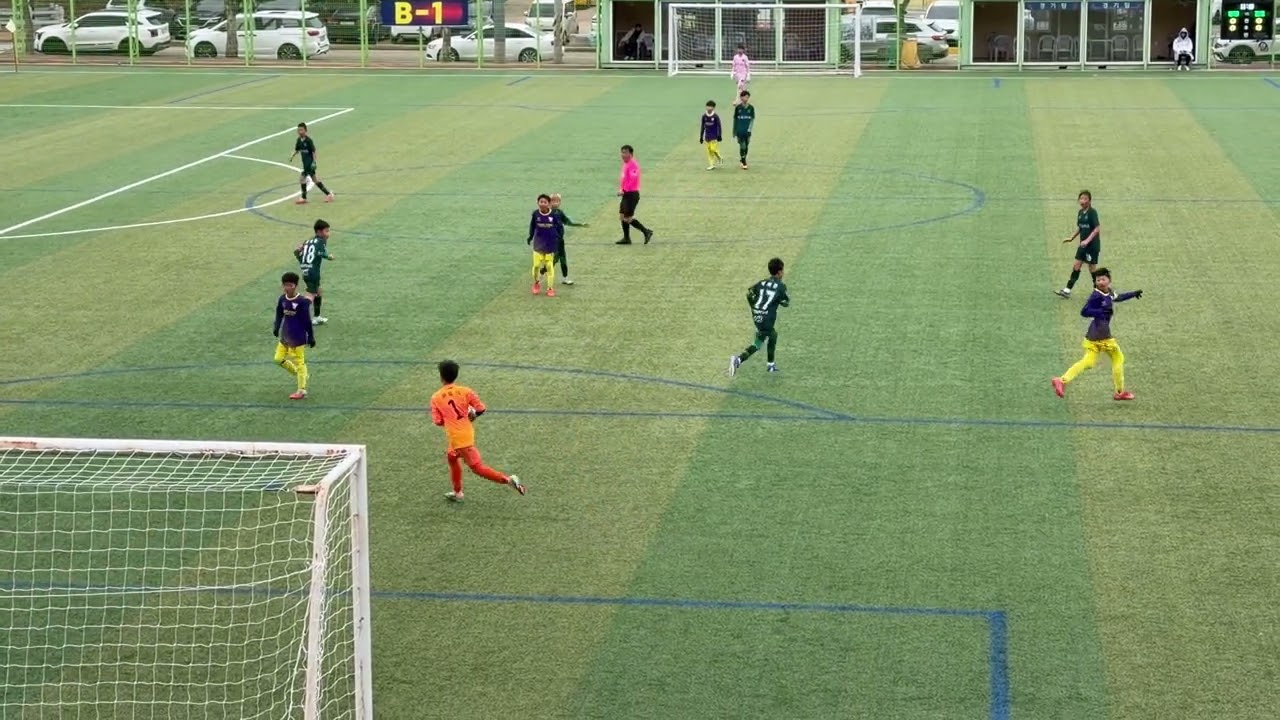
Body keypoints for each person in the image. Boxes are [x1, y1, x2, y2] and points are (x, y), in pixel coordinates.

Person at [429, 360, 525, 502]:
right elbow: (481, 408)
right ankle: (458, 492)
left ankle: (508, 480)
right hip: (466, 432)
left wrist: (449, 419)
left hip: (458, 439)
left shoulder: (436, 397)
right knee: (451, 456)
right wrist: (471, 415)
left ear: (441, 377)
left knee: (477, 468)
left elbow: (438, 421)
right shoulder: (466, 391)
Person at [1052, 268, 1143, 401]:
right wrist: (1099, 312)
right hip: (1102, 335)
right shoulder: (1096, 295)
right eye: (1097, 280)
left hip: (1094, 334)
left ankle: (1062, 380)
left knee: (1088, 362)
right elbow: (1084, 311)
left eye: (1102, 279)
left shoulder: (1108, 292)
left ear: (1109, 281)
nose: (1100, 282)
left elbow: (1118, 297)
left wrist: (1133, 294)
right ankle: (1119, 392)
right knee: (1118, 358)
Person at [730, 257, 790, 375]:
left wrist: (754, 308)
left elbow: (749, 294)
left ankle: (765, 365)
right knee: (769, 336)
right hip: (767, 319)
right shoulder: (781, 286)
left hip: (757, 316)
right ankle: (738, 360)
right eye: (782, 271)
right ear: (779, 272)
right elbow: (786, 303)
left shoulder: (761, 282)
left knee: (763, 339)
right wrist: (779, 301)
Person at [272, 272, 315, 401]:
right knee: (277, 359)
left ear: (295, 286)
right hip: (285, 335)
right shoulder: (282, 299)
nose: (287, 288)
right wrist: (276, 326)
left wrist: (311, 336)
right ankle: (300, 374)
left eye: (290, 285)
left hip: (298, 337)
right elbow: (279, 313)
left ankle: (301, 390)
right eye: (285, 285)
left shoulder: (301, 301)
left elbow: (307, 320)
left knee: (300, 362)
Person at [1056, 190, 1100, 298]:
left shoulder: (1092, 213)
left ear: (1089, 201)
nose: (1082, 201)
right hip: (1083, 246)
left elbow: (1097, 229)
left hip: (1092, 246)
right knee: (1076, 265)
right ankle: (1067, 290)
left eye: (1085, 199)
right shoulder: (1080, 213)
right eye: (1081, 199)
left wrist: (1087, 241)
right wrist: (1071, 237)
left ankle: (1099, 292)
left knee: (1092, 268)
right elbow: (1080, 227)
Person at [294, 219, 333, 323]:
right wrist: (328, 257)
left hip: (305, 270)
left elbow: (297, 253)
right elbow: (320, 253)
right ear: (319, 232)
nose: (328, 234)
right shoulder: (321, 241)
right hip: (313, 272)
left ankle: (316, 317)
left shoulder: (307, 241)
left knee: (318, 292)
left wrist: (298, 250)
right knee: (311, 295)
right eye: (327, 231)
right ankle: (297, 313)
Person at [527, 193, 564, 296]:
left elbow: (559, 227)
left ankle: (550, 288)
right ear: (538, 203)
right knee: (536, 266)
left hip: (549, 245)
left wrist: (558, 239)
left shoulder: (553, 215)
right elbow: (532, 226)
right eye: (541, 202)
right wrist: (530, 237)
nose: (542, 204)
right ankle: (536, 283)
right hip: (538, 244)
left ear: (549, 204)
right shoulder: (535, 214)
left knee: (549, 266)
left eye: (545, 202)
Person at [616, 144, 653, 245]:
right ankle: (626, 238)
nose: (623, 155)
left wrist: (623, 189)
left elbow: (633, 180)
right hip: (626, 194)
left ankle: (646, 232)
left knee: (628, 219)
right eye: (622, 152)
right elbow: (624, 179)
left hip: (632, 195)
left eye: (625, 152)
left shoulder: (633, 165)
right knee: (622, 216)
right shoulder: (625, 164)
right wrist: (621, 189)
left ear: (631, 154)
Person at [289, 122, 334, 205]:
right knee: (315, 180)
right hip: (305, 164)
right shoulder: (299, 140)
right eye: (298, 130)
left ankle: (304, 198)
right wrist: (292, 155)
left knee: (302, 179)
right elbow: (297, 149)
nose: (300, 132)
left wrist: (314, 162)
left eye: (301, 130)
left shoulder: (309, 141)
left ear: (305, 131)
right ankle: (329, 194)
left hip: (309, 165)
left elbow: (314, 152)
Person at [548, 193, 586, 285]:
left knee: (563, 259)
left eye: (557, 201)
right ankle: (546, 272)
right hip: (552, 240)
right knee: (555, 258)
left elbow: (568, 222)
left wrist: (579, 225)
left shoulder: (560, 213)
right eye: (553, 201)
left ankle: (565, 278)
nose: (555, 203)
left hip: (560, 240)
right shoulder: (547, 213)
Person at [732, 91, 755, 170]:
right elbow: (735, 119)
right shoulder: (738, 108)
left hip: (747, 131)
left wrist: (749, 129)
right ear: (741, 98)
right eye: (744, 97)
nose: (746, 98)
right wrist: (734, 131)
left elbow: (752, 119)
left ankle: (742, 159)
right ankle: (744, 162)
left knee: (747, 145)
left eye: (747, 97)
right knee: (743, 145)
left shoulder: (751, 108)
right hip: (739, 130)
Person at [700, 100, 723, 171]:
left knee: (713, 149)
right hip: (707, 136)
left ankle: (719, 157)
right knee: (709, 151)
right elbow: (702, 126)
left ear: (713, 108)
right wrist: (701, 136)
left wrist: (719, 135)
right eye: (708, 106)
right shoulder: (704, 116)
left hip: (714, 136)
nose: (709, 108)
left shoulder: (715, 116)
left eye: (710, 107)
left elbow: (719, 126)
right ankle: (711, 165)